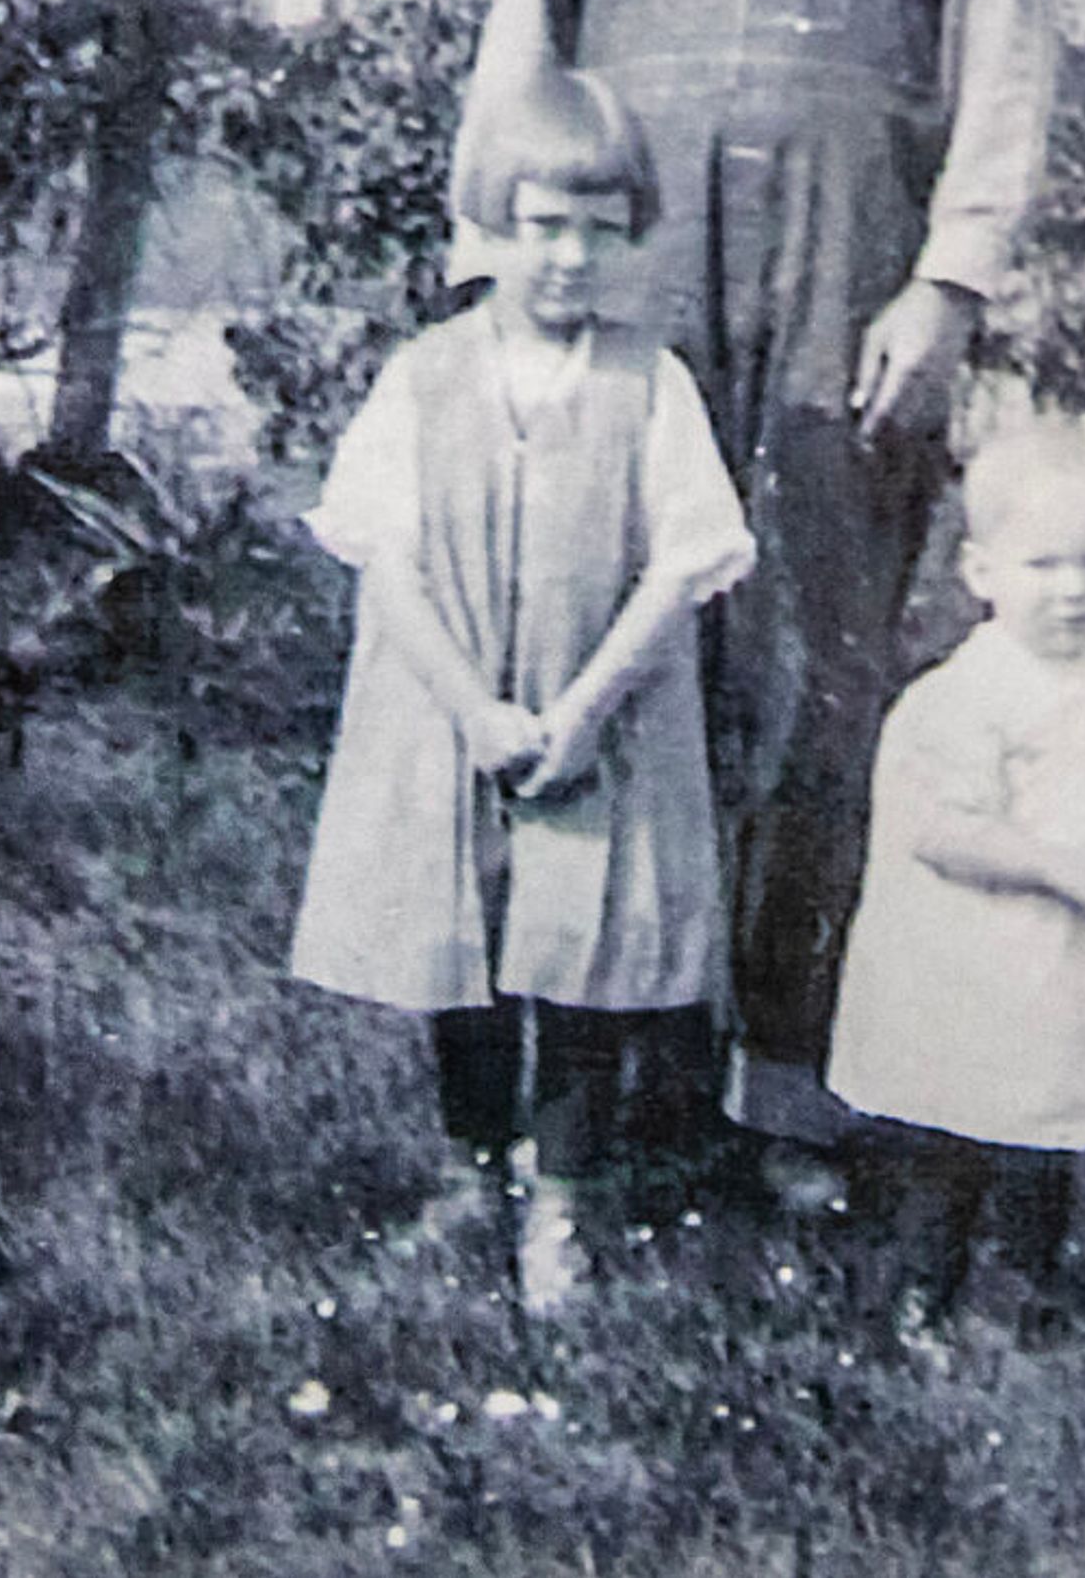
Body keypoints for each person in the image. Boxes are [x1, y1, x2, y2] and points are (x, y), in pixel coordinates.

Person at [454, 0, 1060, 1181]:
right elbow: (531, 20)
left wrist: (946, 284)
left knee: (818, 668)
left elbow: (1010, 40)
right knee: (609, 642)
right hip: (630, 256)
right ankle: (596, 1087)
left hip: (846, 272)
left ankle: (784, 1089)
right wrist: (499, 260)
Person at [290, 68, 757, 1312]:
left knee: (579, 958)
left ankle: (566, 1194)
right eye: (546, 226)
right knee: (468, 946)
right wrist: (475, 713)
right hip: (452, 720)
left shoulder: (650, 386)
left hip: (596, 719)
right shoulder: (422, 379)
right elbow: (382, 563)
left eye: (603, 233)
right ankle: (475, 1164)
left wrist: (583, 711)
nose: (572, 259)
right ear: (489, 223)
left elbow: (683, 569)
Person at [825, 419, 1085, 1335]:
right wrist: (1051, 866)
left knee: (1045, 1141)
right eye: (1046, 566)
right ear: (980, 573)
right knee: (956, 1141)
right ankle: (928, 1293)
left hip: (1057, 982)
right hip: (977, 974)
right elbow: (938, 830)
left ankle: (1023, 1291)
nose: (1076, 592)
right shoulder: (964, 698)